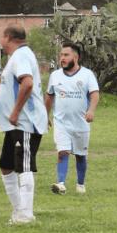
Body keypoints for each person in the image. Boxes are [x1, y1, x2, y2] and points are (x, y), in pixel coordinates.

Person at [0, 25, 48, 224]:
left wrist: (16, 111)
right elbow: (7, 87)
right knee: (6, 166)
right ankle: (19, 212)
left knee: (24, 166)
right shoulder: (16, 58)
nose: (1, 39)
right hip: (14, 125)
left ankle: (26, 215)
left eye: (2, 36)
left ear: (8, 37)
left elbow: (26, 83)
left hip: (24, 122)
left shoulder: (21, 56)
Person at [45, 42, 100, 195]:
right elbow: (49, 97)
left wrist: (91, 111)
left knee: (81, 156)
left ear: (75, 57)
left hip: (81, 123)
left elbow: (95, 94)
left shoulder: (87, 74)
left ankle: (80, 185)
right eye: (61, 55)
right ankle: (61, 183)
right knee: (63, 152)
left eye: (66, 55)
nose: (62, 58)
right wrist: (45, 115)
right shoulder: (55, 76)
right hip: (61, 122)